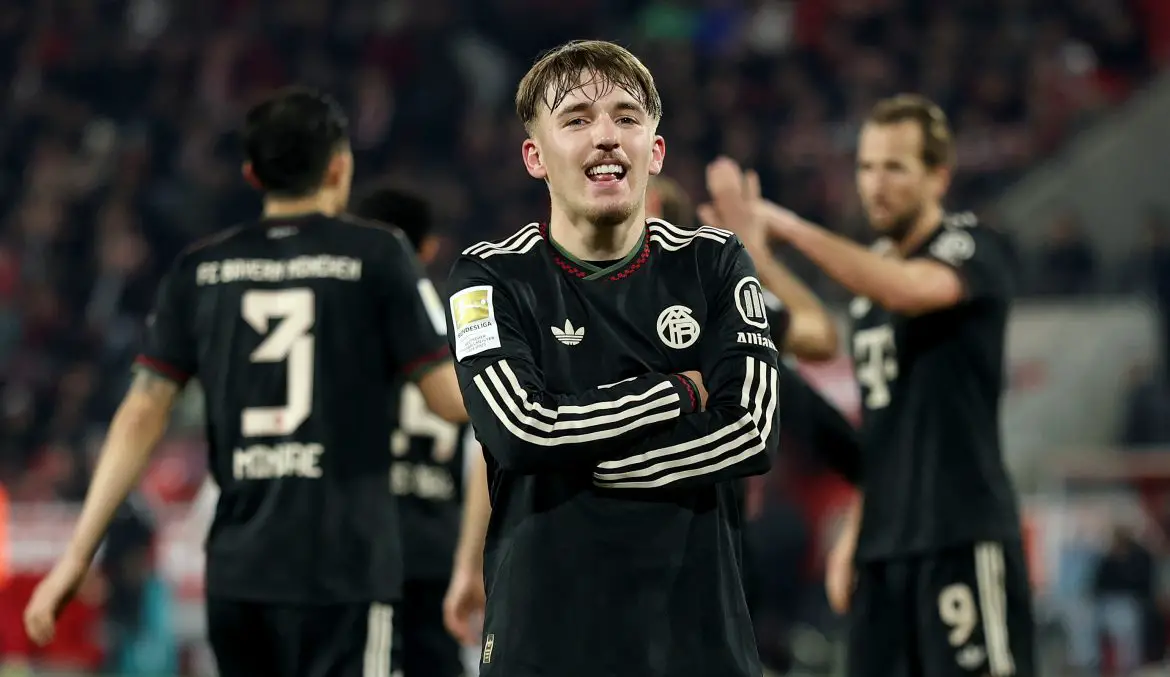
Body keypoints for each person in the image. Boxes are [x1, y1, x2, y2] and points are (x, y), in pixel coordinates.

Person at [24, 87, 468, 677]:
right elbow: (448, 400)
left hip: (239, 570)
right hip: (343, 566)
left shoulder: (201, 270)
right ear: (340, 166)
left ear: (252, 173)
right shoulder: (377, 256)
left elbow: (140, 412)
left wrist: (78, 555)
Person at [444, 40, 780, 677]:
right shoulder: (489, 276)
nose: (605, 136)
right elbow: (522, 431)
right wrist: (676, 395)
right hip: (545, 645)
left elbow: (753, 431)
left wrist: (611, 467)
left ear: (655, 150)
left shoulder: (712, 262)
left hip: (694, 643)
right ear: (534, 156)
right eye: (576, 119)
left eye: (627, 118)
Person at [762, 94, 1034, 677]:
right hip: (887, 546)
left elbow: (910, 289)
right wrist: (857, 531)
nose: (875, 184)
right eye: (865, 167)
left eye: (894, 167)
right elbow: (886, 433)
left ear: (938, 176)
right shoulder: (868, 296)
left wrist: (788, 228)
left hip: (959, 535)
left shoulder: (972, 249)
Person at [349, 184, 477, 677]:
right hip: (439, 540)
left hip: (367, 540)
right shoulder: (461, 325)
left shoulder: (349, 325)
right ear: (428, 249)